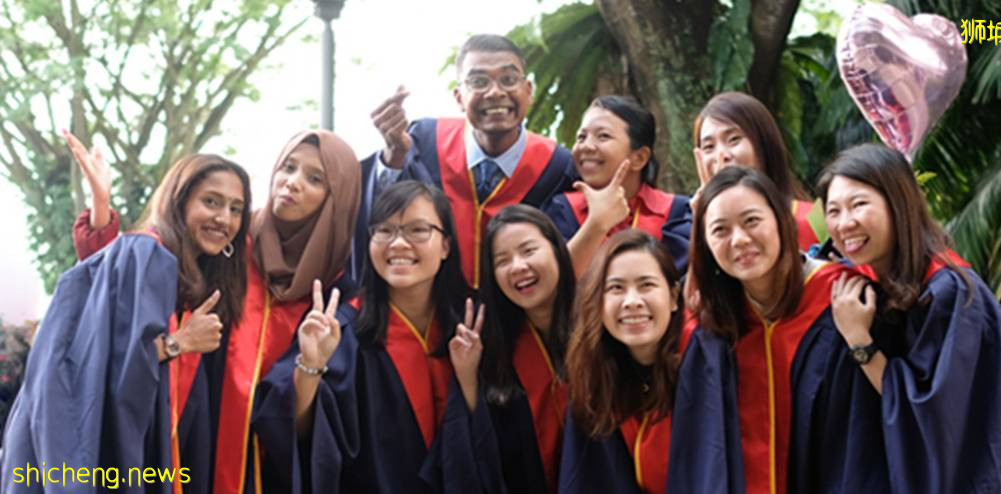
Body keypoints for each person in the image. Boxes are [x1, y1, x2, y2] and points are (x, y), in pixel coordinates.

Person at [66, 129, 363, 493]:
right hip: (188, 442)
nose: (293, 182)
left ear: (339, 198)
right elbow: (124, 293)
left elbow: (315, 429)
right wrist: (100, 210)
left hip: (268, 470)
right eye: (289, 167)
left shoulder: (338, 294)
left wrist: (310, 366)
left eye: (315, 178)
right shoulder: (227, 243)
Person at [817, 143, 1001, 492]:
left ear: (898, 204)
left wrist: (859, 340)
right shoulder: (880, 283)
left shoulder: (950, 294)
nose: (845, 223)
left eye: (859, 204)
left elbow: (933, 413)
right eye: (833, 210)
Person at [2, 152, 252, 493]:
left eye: (236, 209)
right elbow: (101, 362)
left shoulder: (193, 278)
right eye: (211, 202)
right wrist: (180, 343)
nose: (224, 218)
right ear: (179, 201)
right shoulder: (146, 254)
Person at [253, 181, 471, 493]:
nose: (398, 243)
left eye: (418, 230)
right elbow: (292, 432)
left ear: (446, 245)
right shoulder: (340, 330)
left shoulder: (471, 324)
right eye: (385, 230)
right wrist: (310, 366)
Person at [690, 165, 871, 494]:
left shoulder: (842, 297)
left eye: (751, 221)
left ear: (781, 220)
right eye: (720, 230)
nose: (740, 240)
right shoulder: (715, 326)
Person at [363, 33, 576, 286]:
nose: (495, 92)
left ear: (528, 91)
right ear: (459, 97)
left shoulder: (558, 165)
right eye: (478, 82)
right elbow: (380, 217)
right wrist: (394, 155)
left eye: (508, 80)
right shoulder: (425, 141)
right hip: (432, 303)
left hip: (517, 305)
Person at [558, 230, 743, 493]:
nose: (632, 302)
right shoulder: (595, 370)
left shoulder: (704, 357)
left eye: (646, 285)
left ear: (673, 297)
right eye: (616, 288)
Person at [430, 204, 574, 493]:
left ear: (557, 250)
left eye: (529, 250)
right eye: (502, 260)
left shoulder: (599, 328)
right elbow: (477, 453)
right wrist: (468, 375)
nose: (518, 267)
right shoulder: (493, 346)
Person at [543, 96, 692, 276]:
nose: (586, 146)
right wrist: (596, 225)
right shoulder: (561, 210)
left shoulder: (678, 213)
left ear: (639, 158)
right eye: (581, 137)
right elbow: (552, 282)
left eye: (603, 136)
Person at [692, 91, 824, 251]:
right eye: (709, 147)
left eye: (733, 139)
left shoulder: (814, 217)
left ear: (764, 142)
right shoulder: (702, 228)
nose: (721, 155)